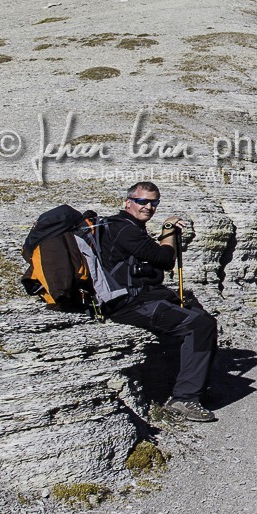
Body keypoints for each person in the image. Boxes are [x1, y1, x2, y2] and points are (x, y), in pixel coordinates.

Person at [98, 181, 219, 423]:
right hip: (127, 304)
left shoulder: (126, 225)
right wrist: (168, 232)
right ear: (128, 202)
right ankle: (184, 399)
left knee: (196, 311)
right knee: (200, 325)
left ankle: (195, 384)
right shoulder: (125, 229)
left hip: (137, 296)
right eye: (143, 201)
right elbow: (165, 259)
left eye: (154, 202)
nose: (149, 207)